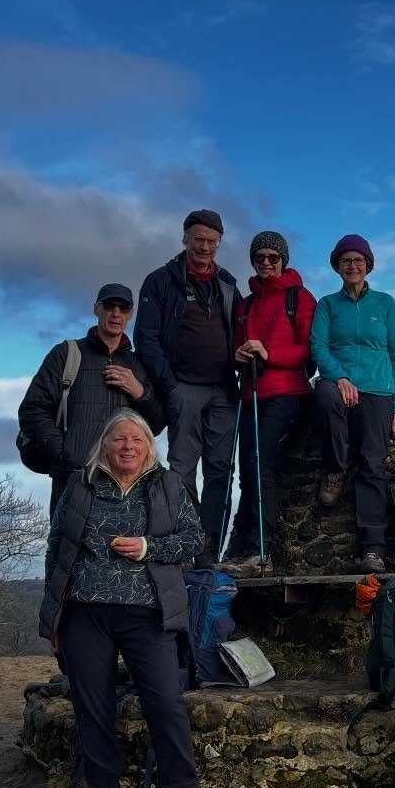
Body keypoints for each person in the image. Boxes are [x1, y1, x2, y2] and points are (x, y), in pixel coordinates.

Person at [37, 410, 222, 788]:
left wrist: (147, 548)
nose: (127, 446)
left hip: (148, 612)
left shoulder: (169, 485)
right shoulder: (80, 487)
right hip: (85, 613)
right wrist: (54, 617)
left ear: (148, 447)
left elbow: (195, 541)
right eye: (119, 439)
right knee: (93, 708)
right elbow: (56, 548)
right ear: (104, 446)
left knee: (166, 703)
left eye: (136, 439)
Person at [134, 210, 244, 563]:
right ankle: (188, 538)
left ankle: (209, 546)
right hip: (183, 387)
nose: (205, 247)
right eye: (199, 239)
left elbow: (240, 329)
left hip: (225, 389)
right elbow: (146, 338)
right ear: (185, 238)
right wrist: (170, 385)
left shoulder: (227, 282)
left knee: (221, 469)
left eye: (212, 241)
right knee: (182, 469)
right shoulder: (161, 280)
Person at [17, 283, 165, 518]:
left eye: (123, 308)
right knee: (64, 549)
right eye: (109, 306)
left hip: (123, 481)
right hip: (73, 477)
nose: (116, 313)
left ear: (130, 314)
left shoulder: (138, 364)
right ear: (96, 309)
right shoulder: (67, 353)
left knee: (118, 551)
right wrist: (65, 453)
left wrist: (139, 391)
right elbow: (32, 410)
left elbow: (155, 425)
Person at [310, 234, 395, 573]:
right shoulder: (327, 305)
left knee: (373, 464)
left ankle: (373, 550)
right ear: (337, 266)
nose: (353, 265)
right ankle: (335, 468)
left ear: (368, 265)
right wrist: (340, 377)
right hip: (338, 383)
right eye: (346, 260)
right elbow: (319, 348)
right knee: (324, 396)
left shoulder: (384, 304)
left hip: (378, 391)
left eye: (358, 260)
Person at [221, 231, 316, 575]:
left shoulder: (299, 297)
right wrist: (238, 356)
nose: (265, 262)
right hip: (251, 395)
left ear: (283, 260)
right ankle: (241, 547)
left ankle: (260, 553)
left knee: (262, 467)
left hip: (289, 395)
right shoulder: (245, 304)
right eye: (259, 257)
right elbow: (236, 349)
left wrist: (268, 352)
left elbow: (309, 350)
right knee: (247, 470)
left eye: (272, 257)